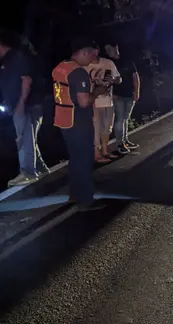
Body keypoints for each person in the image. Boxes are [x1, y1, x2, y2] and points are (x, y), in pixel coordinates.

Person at [52, 37, 108, 210]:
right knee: (84, 160)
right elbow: (84, 101)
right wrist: (98, 91)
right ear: (84, 52)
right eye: (92, 55)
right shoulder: (78, 72)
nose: (92, 59)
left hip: (63, 119)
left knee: (75, 159)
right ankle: (86, 200)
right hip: (78, 121)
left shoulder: (60, 67)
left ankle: (75, 195)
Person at [0, 31, 49, 186]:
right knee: (29, 138)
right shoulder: (8, 59)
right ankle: (40, 168)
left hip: (28, 105)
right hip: (23, 105)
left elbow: (26, 80)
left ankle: (28, 172)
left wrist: (20, 104)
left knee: (23, 139)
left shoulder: (16, 58)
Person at [84, 42, 121, 163]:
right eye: (89, 51)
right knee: (95, 129)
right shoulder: (84, 66)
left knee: (107, 128)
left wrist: (114, 80)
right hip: (94, 103)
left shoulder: (108, 63)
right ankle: (96, 154)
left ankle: (105, 151)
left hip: (108, 101)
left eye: (94, 51)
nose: (92, 54)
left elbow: (119, 78)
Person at [105, 41, 140, 154]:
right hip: (117, 96)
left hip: (129, 94)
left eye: (110, 48)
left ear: (116, 47)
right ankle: (120, 143)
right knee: (119, 119)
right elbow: (106, 80)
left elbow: (135, 76)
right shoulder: (109, 63)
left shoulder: (127, 60)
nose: (108, 52)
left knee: (125, 118)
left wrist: (136, 91)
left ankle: (125, 140)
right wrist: (112, 93)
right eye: (106, 50)